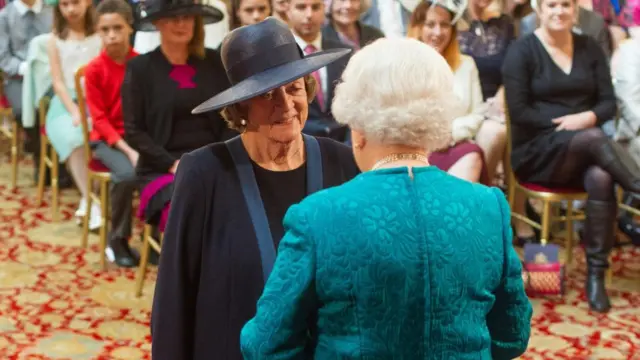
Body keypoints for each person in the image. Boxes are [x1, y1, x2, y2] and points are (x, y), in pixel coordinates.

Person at [240, 37, 532, 359]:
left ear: (359, 126)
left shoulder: (317, 217)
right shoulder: (488, 207)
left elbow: (266, 344)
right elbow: (511, 337)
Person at [150, 18, 358, 360]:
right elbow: (174, 297)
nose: (287, 105)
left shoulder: (342, 163)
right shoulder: (204, 173)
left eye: (293, 88)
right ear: (241, 106)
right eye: (267, 94)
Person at [502, 0, 640, 313]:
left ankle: (596, 275)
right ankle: (636, 185)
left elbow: (607, 103)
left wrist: (586, 118)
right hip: (538, 150)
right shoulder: (521, 51)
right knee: (594, 138)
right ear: (539, 9)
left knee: (601, 176)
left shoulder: (590, 46)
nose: (559, 11)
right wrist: (568, 124)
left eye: (566, 4)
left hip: (584, 150)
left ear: (575, 10)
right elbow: (520, 111)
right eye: (552, 4)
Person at [122, 0, 234, 264]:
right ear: (158, 23)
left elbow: (231, 120)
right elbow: (133, 130)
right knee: (187, 206)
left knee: (243, 203)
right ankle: (187, 279)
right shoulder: (139, 70)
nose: (182, 24)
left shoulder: (213, 63)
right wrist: (171, 163)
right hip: (162, 168)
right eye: (173, 18)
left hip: (213, 162)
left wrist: (216, 159)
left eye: (187, 18)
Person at [408, 0, 493, 184]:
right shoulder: (404, 66)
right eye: (430, 24)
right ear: (418, 27)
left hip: (453, 144)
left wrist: (450, 133)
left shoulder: (467, 64)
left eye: (444, 24)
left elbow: (477, 114)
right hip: (414, 150)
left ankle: (456, 213)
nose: (438, 32)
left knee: (472, 154)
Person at [85, 0, 139, 267]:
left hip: (135, 136)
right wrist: (129, 151)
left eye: (118, 27)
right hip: (105, 139)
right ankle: (117, 239)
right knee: (127, 175)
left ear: (130, 27)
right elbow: (99, 119)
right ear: (97, 31)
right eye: (105, 29)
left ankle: (160, 239)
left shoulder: (140, 64)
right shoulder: (94, 70)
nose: (111, 35)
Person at [45, 0, 102, 228]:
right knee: (74, 137)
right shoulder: (54, 40)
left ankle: (93, 197)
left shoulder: (100, 33)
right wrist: (75, 111)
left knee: (99, 133)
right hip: (66, 102)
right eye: (64, 4)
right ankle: (91, 199)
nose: (71, 9)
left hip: (97, 98)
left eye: (75, 2)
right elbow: (58, 82)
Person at [0, 0, 53, 182]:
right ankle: (40, 156)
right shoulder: (5, 17)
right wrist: (25, 69)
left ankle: (59, 162)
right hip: (19, 78)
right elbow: (3, 57)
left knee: (59, 107)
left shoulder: (52, 12)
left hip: (50, 77)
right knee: (26, 110)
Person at [288, 0, 352, 143]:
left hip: (343, 147)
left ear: (324, 9)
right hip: (299, 146)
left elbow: (354, 106)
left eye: (315, 7)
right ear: (288, 10)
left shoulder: (344, 53)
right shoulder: (280, 58)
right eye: (301, 7)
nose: (309, 15)